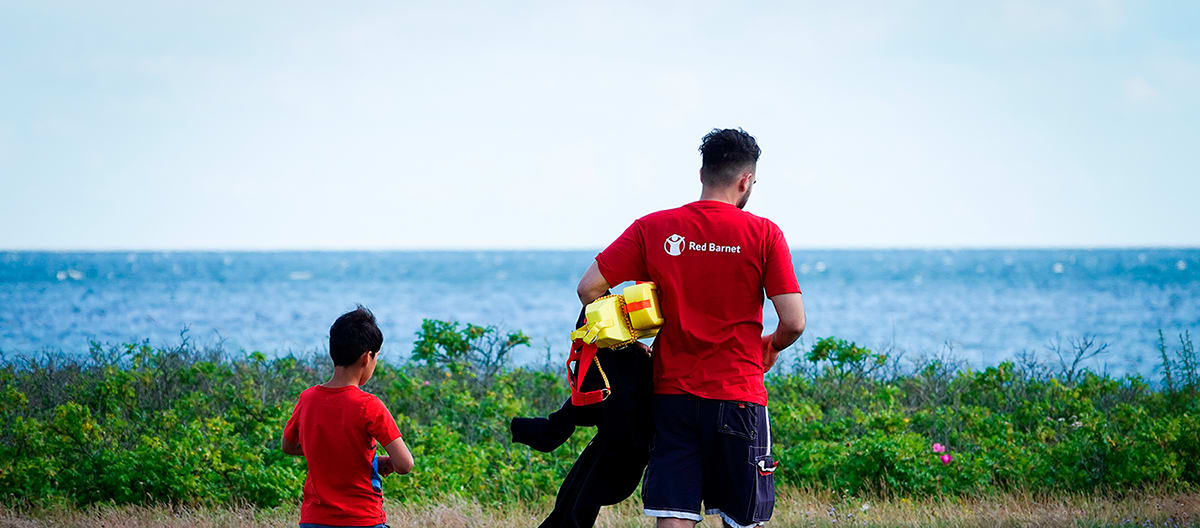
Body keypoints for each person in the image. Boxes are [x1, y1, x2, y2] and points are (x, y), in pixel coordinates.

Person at [575, 128, 806, 528]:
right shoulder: (765, 234)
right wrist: (770, 346)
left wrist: (631, 346)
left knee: (675, 517)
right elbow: (795, 322)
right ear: (746, 180)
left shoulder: (653, 228)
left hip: (672, 398)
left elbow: (589, 289)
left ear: (702, 174)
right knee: (744, 520)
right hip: (738, 396)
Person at [282, 305, 415, 528]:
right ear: (367, 357)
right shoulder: (369, 405)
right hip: (363, 520)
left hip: (314, 521)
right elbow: (404, 464)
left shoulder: (307, 399)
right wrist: (380, 462)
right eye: (376, 357)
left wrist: (348, 457)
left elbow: (289, 446)